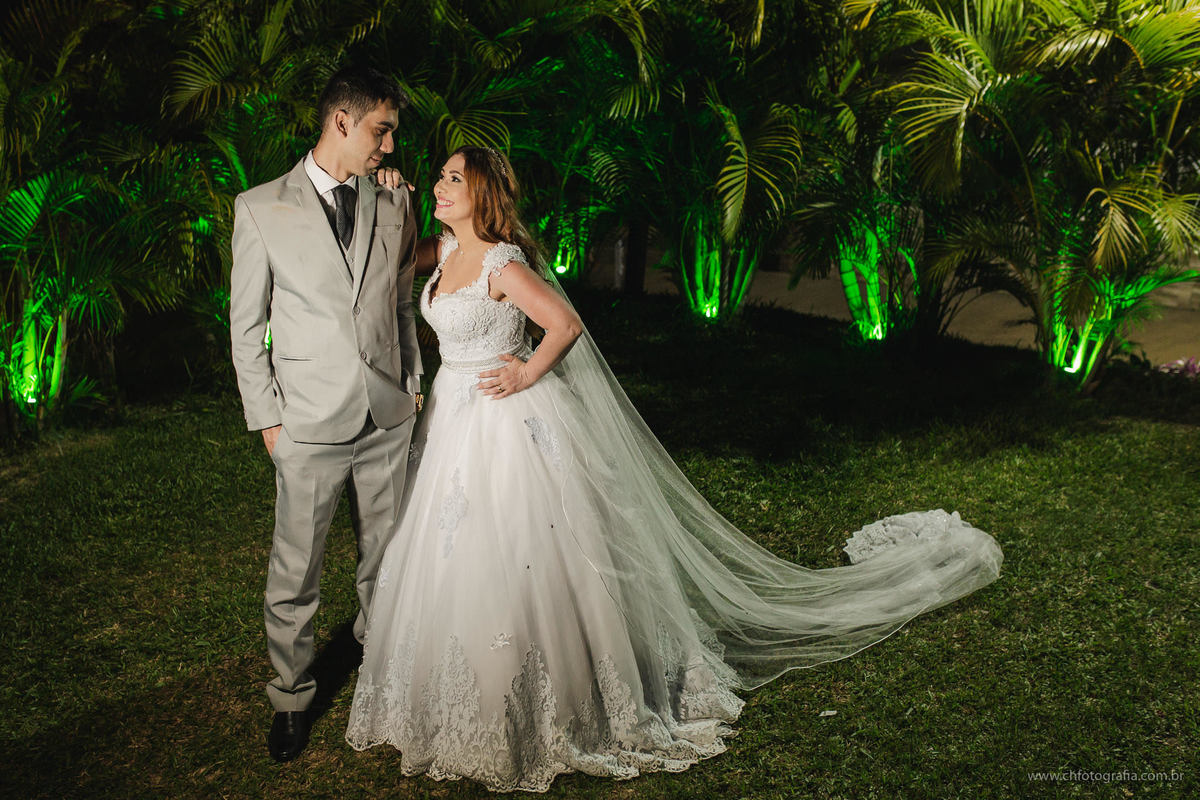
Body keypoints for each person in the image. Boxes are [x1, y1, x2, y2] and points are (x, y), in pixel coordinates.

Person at [346, 146, 1004, 792]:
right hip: (454, 420)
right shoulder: (441, 254)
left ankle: (554, 694)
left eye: (453, 178)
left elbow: (564, 323)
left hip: (505, 421)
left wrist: (523, 371)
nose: (440, 185)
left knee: (521, 550)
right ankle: (456, 694)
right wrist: (387, 193)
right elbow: (386, 266)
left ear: (483, 192)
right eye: (438, 177)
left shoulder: (501, 262)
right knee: (452, 552)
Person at [229, 65, 422, 763]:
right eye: (382, 129)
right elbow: (246, 330)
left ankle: (382, 670)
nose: (390, 146)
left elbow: (399, 303)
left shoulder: (394, 202)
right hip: (305, 422)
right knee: (296, 568)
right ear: (342, 121)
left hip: (386, 415)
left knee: (390, 553)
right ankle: (291, 696)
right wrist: (269, 422)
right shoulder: (259, 208)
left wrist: (414, 380)